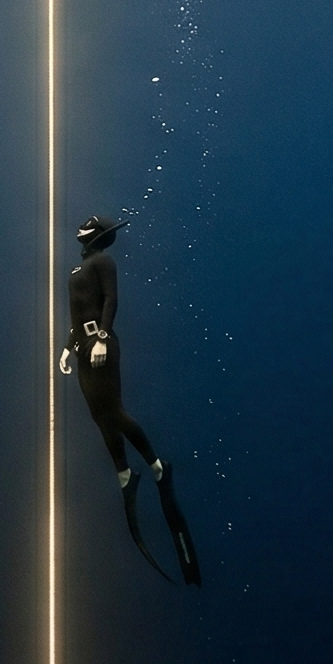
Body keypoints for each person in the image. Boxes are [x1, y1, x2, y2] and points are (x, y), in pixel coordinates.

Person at [63, 215, 202, 586]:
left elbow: (111, 299)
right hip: (81, 347)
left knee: (113, 409)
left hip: (100, 345)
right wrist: (66, 347)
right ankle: (124, 471)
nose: (81, 229)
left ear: (98, 235)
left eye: (88, 227)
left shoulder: (103, 263)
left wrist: (104, 337)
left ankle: (157, 465)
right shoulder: (81, 266)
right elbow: (77, 311)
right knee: (99, 415)